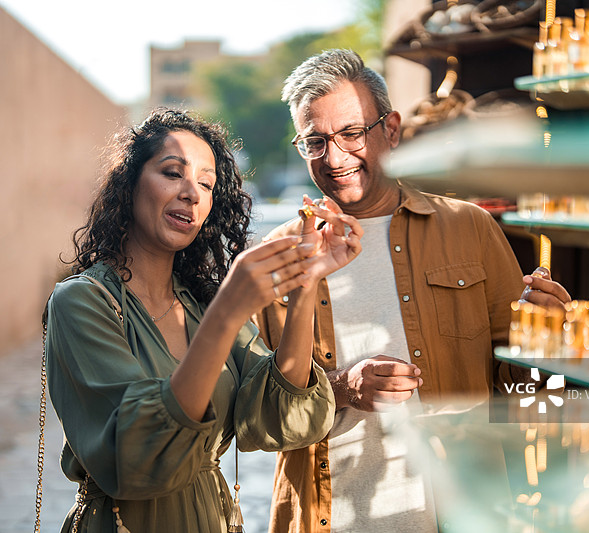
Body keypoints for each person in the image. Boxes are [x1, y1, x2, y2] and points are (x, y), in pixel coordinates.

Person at [254, 49, 570, 532]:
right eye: (315, 141)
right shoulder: (278, 257)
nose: (335, 158)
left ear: (392, 130)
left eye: (352, 133)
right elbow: (257, 423)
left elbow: (524, 394)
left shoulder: (472, 228)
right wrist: (340, 388)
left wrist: (544, 336)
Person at [43, 108, 363, 532]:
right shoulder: (82, 301)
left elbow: (283, 416)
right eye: (173, 173)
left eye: (206, 183)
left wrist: (306, 282)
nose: (192, 193)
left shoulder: (199, 303)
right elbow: (136, 455)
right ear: (129, 182)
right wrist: (227, 312)